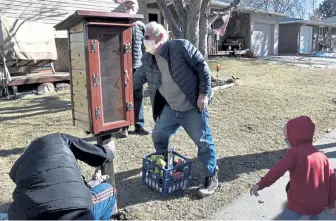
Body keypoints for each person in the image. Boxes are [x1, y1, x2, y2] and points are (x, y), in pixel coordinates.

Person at [133, 21, 218, 197]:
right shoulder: (148, 59)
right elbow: (137, 79)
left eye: (147, 37)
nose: (145, 41)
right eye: (144, 38)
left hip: (192, 107)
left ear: (161, 37)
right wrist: (120, 84)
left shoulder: (180, 47)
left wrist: (203, 94)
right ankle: (164, 164)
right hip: (171, 108)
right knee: (159, 135)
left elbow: (203, 67)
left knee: (203, 142)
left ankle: (212, 174)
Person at [7, 133, 117, 220]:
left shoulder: (20, 165)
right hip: (76, 215)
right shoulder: (59, 140)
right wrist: (109, 151)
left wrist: (92, 183)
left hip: (27, 216)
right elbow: (98, 154)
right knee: (110, 191)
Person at [250, 116, 336, 220]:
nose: (286, 139)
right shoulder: (322, 157)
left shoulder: (294, 153)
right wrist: (331, 204)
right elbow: (332, 181)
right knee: (314, 216)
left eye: (287, 136)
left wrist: (260, 184)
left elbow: (277, 171)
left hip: (298, 203)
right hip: (318, 204)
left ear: (295, 136)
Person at [119, 0, 151, 138]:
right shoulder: (119, 24)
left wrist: (146, 66)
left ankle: (139, 126)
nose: (129, 7)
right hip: (121, 68)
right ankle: (123, 127)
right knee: (123, 98)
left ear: (137, 7)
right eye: (127, 5)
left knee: (138, 97)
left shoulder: (141, 26)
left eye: (132, 5)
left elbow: (145, 48)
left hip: (138, 68)